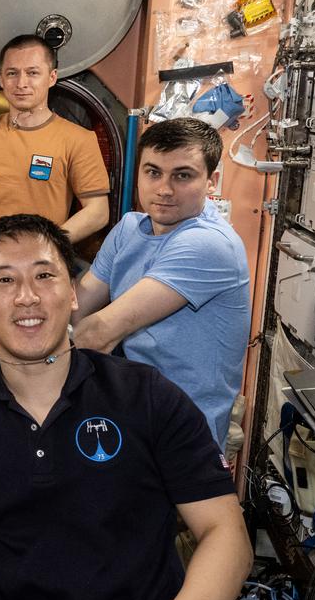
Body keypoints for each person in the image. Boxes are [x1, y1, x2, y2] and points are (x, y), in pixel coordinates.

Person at [0, 214, 252, 600]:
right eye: (4, 280)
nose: (27, 297)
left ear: (72, 292)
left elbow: (227, 534)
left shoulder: (146, 396)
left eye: (45, 275)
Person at [72, 118, 250, 449]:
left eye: (182, 176)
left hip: (184, 429)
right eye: (153, 172)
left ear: (211, 182)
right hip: (132, 409)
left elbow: (98, 332)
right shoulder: (129, 229)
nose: (164, 189)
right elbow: (77, 308)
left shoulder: (208, 244)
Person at [0, 34, 109, 248]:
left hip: (38, 263)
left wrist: (48, 244)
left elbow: (98, 211)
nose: (21, 83)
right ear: (1, 79)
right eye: (12, 73)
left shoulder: (77, 139)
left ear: (51, 77)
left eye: (33, 73)